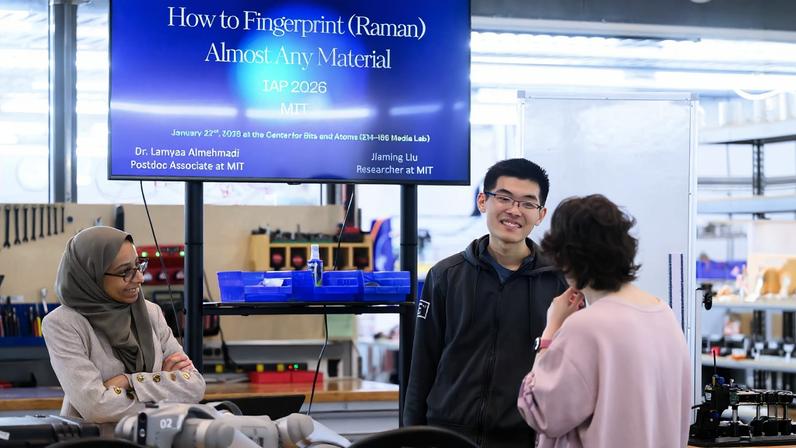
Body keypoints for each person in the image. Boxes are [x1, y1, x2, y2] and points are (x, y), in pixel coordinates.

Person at [404, 158, 568, 447]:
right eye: (504, 198)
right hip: (446, 436)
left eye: (528, 203)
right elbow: (421, 368)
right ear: (483, 201)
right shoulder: (445, 277)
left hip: (522, 438)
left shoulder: (559, 284)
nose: (514, 211)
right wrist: (411, 438)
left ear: (540, 214)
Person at [517, 194, 691, 447]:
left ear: (566, 258)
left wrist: (551, 330)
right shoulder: (664, 315)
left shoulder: (586, 327)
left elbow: (541, 411)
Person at [42, 226, 205, 434]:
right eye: (125, 271)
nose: (139, 278)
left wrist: (128, 381)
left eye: (138, 266)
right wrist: (164, 385)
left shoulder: (150, 313)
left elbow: (195, 386)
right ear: (92, 275)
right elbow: (96, 407)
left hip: (155, 438)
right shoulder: (62, 324)